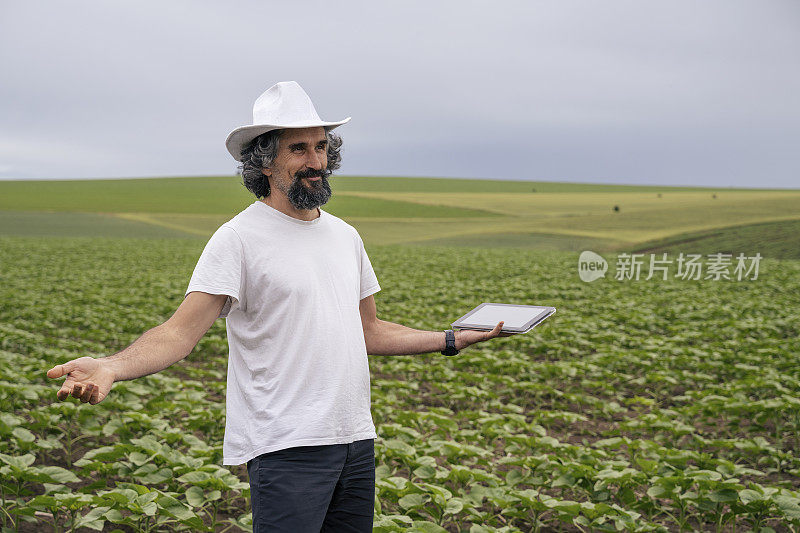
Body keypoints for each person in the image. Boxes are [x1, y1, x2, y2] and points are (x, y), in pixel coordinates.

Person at [46, 81, 510, 532]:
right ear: (265, 162)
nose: (316, 161)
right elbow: (179, 333)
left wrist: (451, 339)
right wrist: (112, 366)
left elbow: (366, 330)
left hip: (354, 440)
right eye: (299, 149)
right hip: (287, 448)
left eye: (322, 147)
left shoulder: (345, 236)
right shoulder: (238, 239)